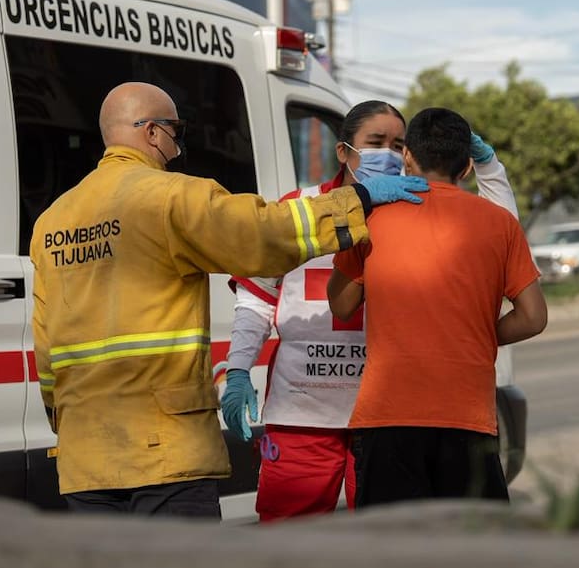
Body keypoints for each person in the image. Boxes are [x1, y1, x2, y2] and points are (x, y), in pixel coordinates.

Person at [29, 82, 428, 518]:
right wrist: (360, 200)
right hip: (163, 450)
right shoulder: (171, 197)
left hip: (86, 454)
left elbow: (46, 346)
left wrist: (63, 421)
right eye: (175, 130)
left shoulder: (53, 222)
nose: (177, 142)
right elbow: (263, 233)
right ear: (151, 132)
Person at [220, 100, 519, 521]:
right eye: (376, 142)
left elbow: (497, 234)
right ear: (344, 151)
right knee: (289, 540)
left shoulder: (409, 208)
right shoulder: (300, 208)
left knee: (385, 543)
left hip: (383, 418)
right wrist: (237, 370)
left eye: (399, 144)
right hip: (303, 414)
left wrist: (488, 167)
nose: (390, 154)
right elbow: (256, 297)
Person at [328, 107, 548, 507]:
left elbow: (341, 305)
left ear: (407, 156)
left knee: (394, 548)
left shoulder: (374, 216)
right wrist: (481, 332)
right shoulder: (501, 224)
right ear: (466, 166)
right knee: (471, 548)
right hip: (469, 419)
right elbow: (534, 317)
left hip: (387, 417)